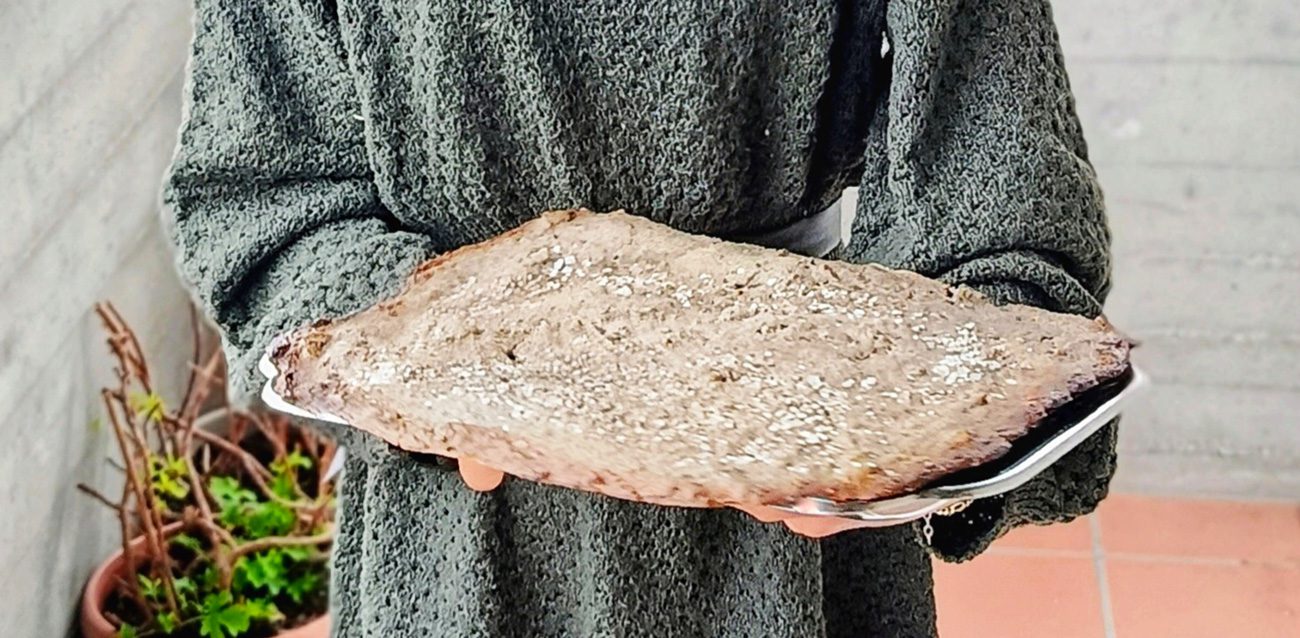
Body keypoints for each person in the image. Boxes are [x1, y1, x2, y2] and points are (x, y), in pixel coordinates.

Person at [164, 0, 1117, 636]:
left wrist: (953, 421)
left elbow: (1003, 201)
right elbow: (261, 191)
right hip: (458, 537)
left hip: (791, 490)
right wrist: (429, 354)